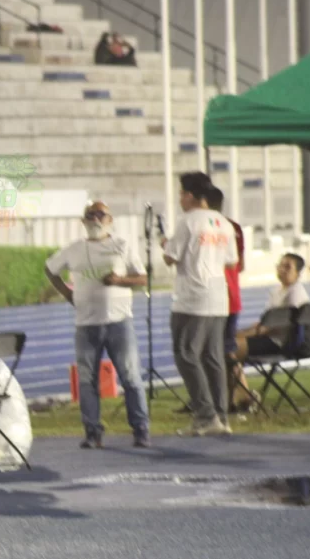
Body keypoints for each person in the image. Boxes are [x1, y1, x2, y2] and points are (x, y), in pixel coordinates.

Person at [45, 200, 151, 448]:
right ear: (83, 221)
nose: (95, 218)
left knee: (131, 377)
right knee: (86, 381)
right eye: (90, 215)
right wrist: (67, 293)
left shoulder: (122, 245)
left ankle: (140, 429)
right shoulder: (73, 249)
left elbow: (142, 278)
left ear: (110, 220)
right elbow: (50, 269)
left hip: (119, 322)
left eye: (100, 214)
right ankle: (93, 432)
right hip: (86, 324)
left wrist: (119, 280)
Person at [162, 173, 238, 436]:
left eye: (181, 194)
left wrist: (166, 244)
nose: (180, 199)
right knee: (213, 357)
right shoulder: (224, 223)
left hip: (192, 298)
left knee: (186, 354)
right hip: (218, 298)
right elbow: (231, 261)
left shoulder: (188, 221)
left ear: (191, 195)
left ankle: (206, 415)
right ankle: (221, 416)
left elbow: (170, 258)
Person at [206, 186, 250, 412]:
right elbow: (240, 265)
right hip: (232, 297)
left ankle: (234, 398)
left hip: (215, 298)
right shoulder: (234, 227)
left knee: (218, 350)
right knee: (224, 349)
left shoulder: (206, 228)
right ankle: (234, 397)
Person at [233, 253, 310, 362]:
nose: (282, 269)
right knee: (229, 344)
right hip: (269, 338)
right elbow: (264, 324)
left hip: (278, 343)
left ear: (297, 273)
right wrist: (240, 332)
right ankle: (236, 372)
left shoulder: (296, 293)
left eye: (287, 267)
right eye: (280, 265)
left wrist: (242, 334)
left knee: (230, 347)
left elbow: (268, 328)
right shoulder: (276, 291)